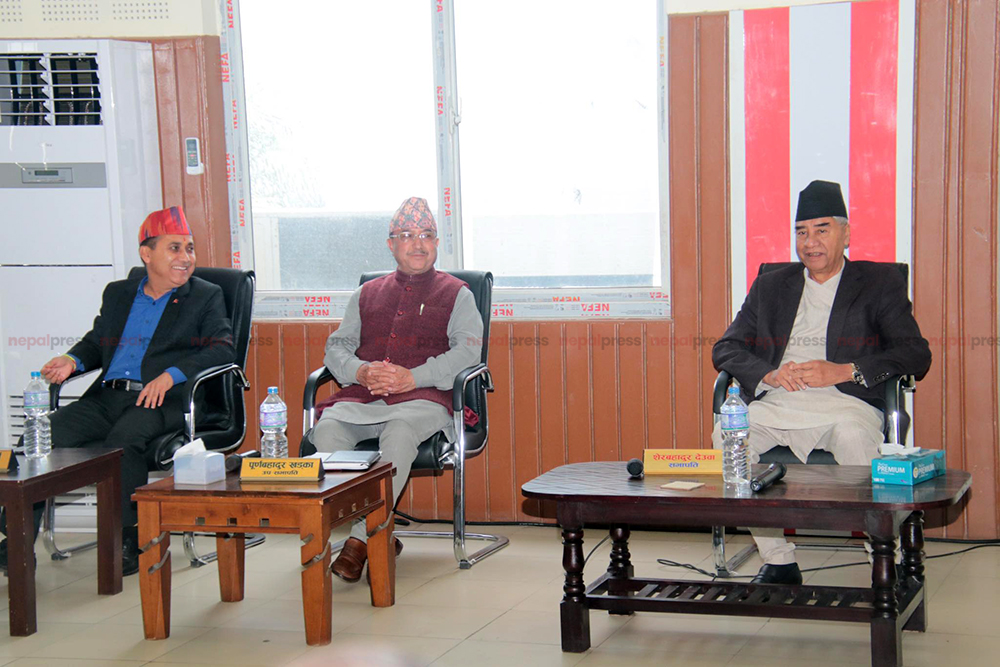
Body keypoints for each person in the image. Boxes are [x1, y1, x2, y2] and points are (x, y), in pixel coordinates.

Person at [711, 180, 932, 585]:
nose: (810, 242)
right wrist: (768, 374)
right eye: (801, 232)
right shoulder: (771, 285)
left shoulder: (878, 282)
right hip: (778, 401)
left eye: (822, 229)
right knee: (730, 437)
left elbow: (916, 353)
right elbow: (726, 347)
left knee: (852, 436)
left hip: (847, 404)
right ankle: (778, 560)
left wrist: (846, 370)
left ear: (846, 234)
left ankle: (885, 556)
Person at [0, 206, 235, 576]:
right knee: (38, 439)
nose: (186, 257)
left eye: (190, 248)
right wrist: (72, 360)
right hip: (107, 397)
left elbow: (222, 348)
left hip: (164, 398)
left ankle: (127, 537)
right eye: (175, 248)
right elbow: (98, 341)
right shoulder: (119, 293)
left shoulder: (205, 296)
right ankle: (16, 539)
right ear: (147, 253)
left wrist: (171, 375)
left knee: (122, 443)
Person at [310, 196, 483, 583]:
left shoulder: (458, 294)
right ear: (391, 244)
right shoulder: (367, 293)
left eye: (426, 235)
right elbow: (337, 347)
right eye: (407, 235)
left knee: (399, 433)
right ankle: (379, 531)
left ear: (436, 243)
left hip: (423, 399)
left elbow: (467, 352)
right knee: (326, 432)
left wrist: (413, 377)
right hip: (363, 397)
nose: (418, 243)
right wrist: (360, 370)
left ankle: (359, 541)